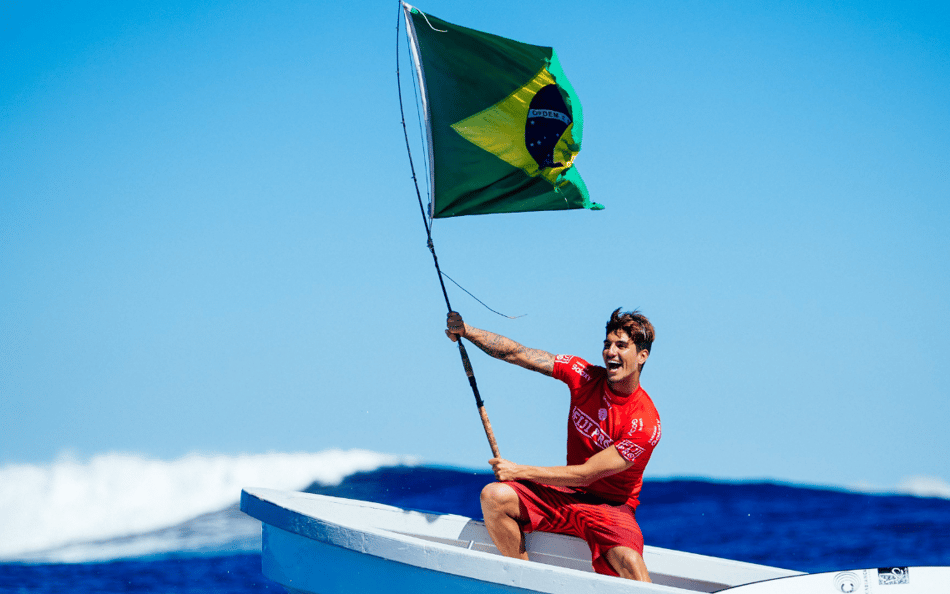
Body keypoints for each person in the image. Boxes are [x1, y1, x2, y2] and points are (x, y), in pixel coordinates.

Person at [445, 308, 660, 582]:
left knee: (631, 564)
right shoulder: (583, 375)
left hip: (611, 509)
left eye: (621, 345)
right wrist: (467, 331)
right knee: (494, 497)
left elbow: (587, 474)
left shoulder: (645, 422)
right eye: (607, 344)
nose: (610, 352)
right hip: (566, 495)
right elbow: (518, 353)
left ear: (642, 355)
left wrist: (517, 471)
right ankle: (525, 584)